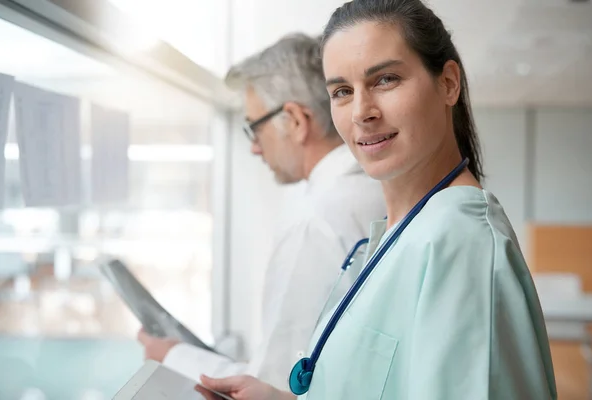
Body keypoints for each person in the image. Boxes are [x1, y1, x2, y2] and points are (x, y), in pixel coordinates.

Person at [195, 0, 558, 399]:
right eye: (342, 91)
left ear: (448, 83)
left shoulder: (460, 242)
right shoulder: (403, 232)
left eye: (385, 80)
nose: (361, 113)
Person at [136, 33, 386, 391]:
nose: (254, 148)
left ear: (296, 121)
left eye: (254, 127)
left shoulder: (315, 220)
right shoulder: (376, 187)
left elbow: (273, 384)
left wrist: (173, 356)